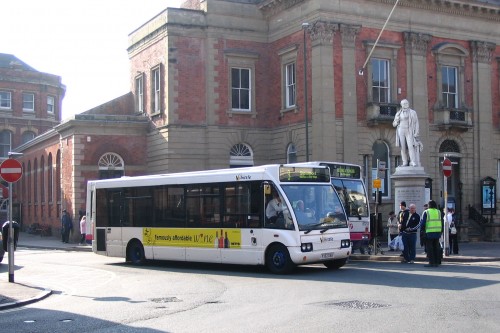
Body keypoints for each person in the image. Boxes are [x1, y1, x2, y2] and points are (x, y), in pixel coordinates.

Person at [393, 99, 421, 167]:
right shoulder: (398, 113)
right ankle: (404, 162)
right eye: (404, 103)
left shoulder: (412, 112)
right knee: (403, 147)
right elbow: (394, 124)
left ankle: (413, 161)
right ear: (401, 105)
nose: (405, 104)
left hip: (409, 130)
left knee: (410, 146)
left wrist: (416, 132)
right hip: (401, 130)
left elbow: (416, 123)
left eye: (406, 103)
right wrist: (396, 122)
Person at [420, 200, 443, 267]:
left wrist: (422, 230)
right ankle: (437, 261)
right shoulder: (439, 212)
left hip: (429, 232)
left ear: (429, 205)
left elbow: (423, 223)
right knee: (436, 247)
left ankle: (431, 262)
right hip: (437, 232)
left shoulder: (426, 212)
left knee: (430, 248)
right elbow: (441, 221)